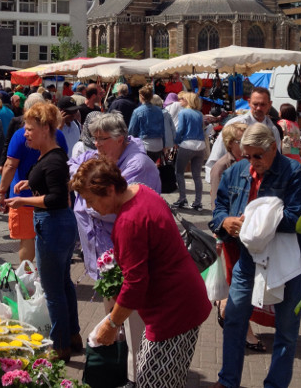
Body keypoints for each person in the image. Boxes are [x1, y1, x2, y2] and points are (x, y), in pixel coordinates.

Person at [71, 157, 211, 388]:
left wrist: (112, 324)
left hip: (173, 311)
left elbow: (135, 284)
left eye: (91, 199)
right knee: (164, 379)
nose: (89, 207)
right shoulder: (141, 190)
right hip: (184, 300)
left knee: (153, 382)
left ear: (110, 189)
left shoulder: (128, 222)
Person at [209, 123, 301, 388]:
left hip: (285, 260)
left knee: (286, 329)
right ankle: (227, 382)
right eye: (247, 155)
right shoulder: (237, 171)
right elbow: (218, 207)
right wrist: (225, 221)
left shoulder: (293, 172)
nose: (252, 162)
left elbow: (295, 218)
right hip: (247, 257)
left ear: (273, 148)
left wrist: (254, 221)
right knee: (234, 319)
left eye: (257, 156)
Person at [69, 112, 161, 388]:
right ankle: (124, 368)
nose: (96, 145)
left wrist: (85, 201)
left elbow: (112, 207)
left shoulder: (138, 164)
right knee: (116, 315)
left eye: (102, 139)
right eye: (94, 139)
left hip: (125, 256)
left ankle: (136, 375)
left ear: (121, 139)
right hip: (105, 254)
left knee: (130, 318)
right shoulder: (103, 158)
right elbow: (75, 166)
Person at [5, 102, 80, 362]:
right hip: (57, 224)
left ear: (45, 129)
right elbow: (50, 186)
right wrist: (31, 184)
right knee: (63, 283)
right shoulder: (49, 155)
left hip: (53, 224)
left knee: (53, 290)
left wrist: (24, 200)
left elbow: (57, 198)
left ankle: (59, 347)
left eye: (29, 129)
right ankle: (72, 337)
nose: (25, 134)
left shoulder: (55, 158)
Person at [208, 122, 268, 352]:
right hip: (230, 236)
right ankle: (241, 327)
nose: (245, 146)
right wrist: (221, 230)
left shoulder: (252, 165)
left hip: (248, 238)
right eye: (241, 140)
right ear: (231, 143)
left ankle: (227, 310)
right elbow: (217, 206)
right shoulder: (223, 167)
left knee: (242, 285)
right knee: (236, 284)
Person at [0, 94, 68, 263]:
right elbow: (64, 169)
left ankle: (28, 279)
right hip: (40, 199)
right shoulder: (59, 136)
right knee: (46, 243)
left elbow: (10, 165)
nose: (27, 132)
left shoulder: (20, 135)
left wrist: (2, 191)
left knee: (27, 241)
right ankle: (35, 278)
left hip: (26, 199)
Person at [205, 87, 282, 182]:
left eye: (262, 104)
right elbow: (216, 155)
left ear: (269, 104)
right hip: (234, 181)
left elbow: (277, 158)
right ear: (249, 102)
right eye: (255, 104)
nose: (258, 108)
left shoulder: (273, 129)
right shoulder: (235, 125)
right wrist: (214, 183)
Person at [172, 92, 206, 211]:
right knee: (197, 175)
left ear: (187, 100)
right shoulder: (200, 114)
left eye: (182, 99)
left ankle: (182, 199)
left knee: (179, 172)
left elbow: (180, 129)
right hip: (200, 145)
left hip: (187, 144)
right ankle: (198, 202)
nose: (179, 100)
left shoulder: (183, 113)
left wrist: (176, 141)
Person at [128, 85, 165, 162]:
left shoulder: (137, 111)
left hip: (146, 145)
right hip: (159, 145)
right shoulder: (159, 110)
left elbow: (131, 131)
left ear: (141, 96)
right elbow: (163, 129)